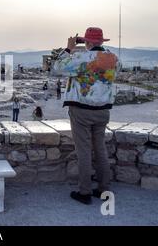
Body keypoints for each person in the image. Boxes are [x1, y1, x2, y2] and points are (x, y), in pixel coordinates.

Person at [53, 27, 120, 205]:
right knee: (100, 149)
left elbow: (57, 68)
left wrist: (69, 48)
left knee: (83, 151)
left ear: (87, 42)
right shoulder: (113, 58)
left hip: (81, 110)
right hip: (103, 110)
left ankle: (85, 191)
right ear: (102, 42)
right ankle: (103, 188)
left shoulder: (80, 58)